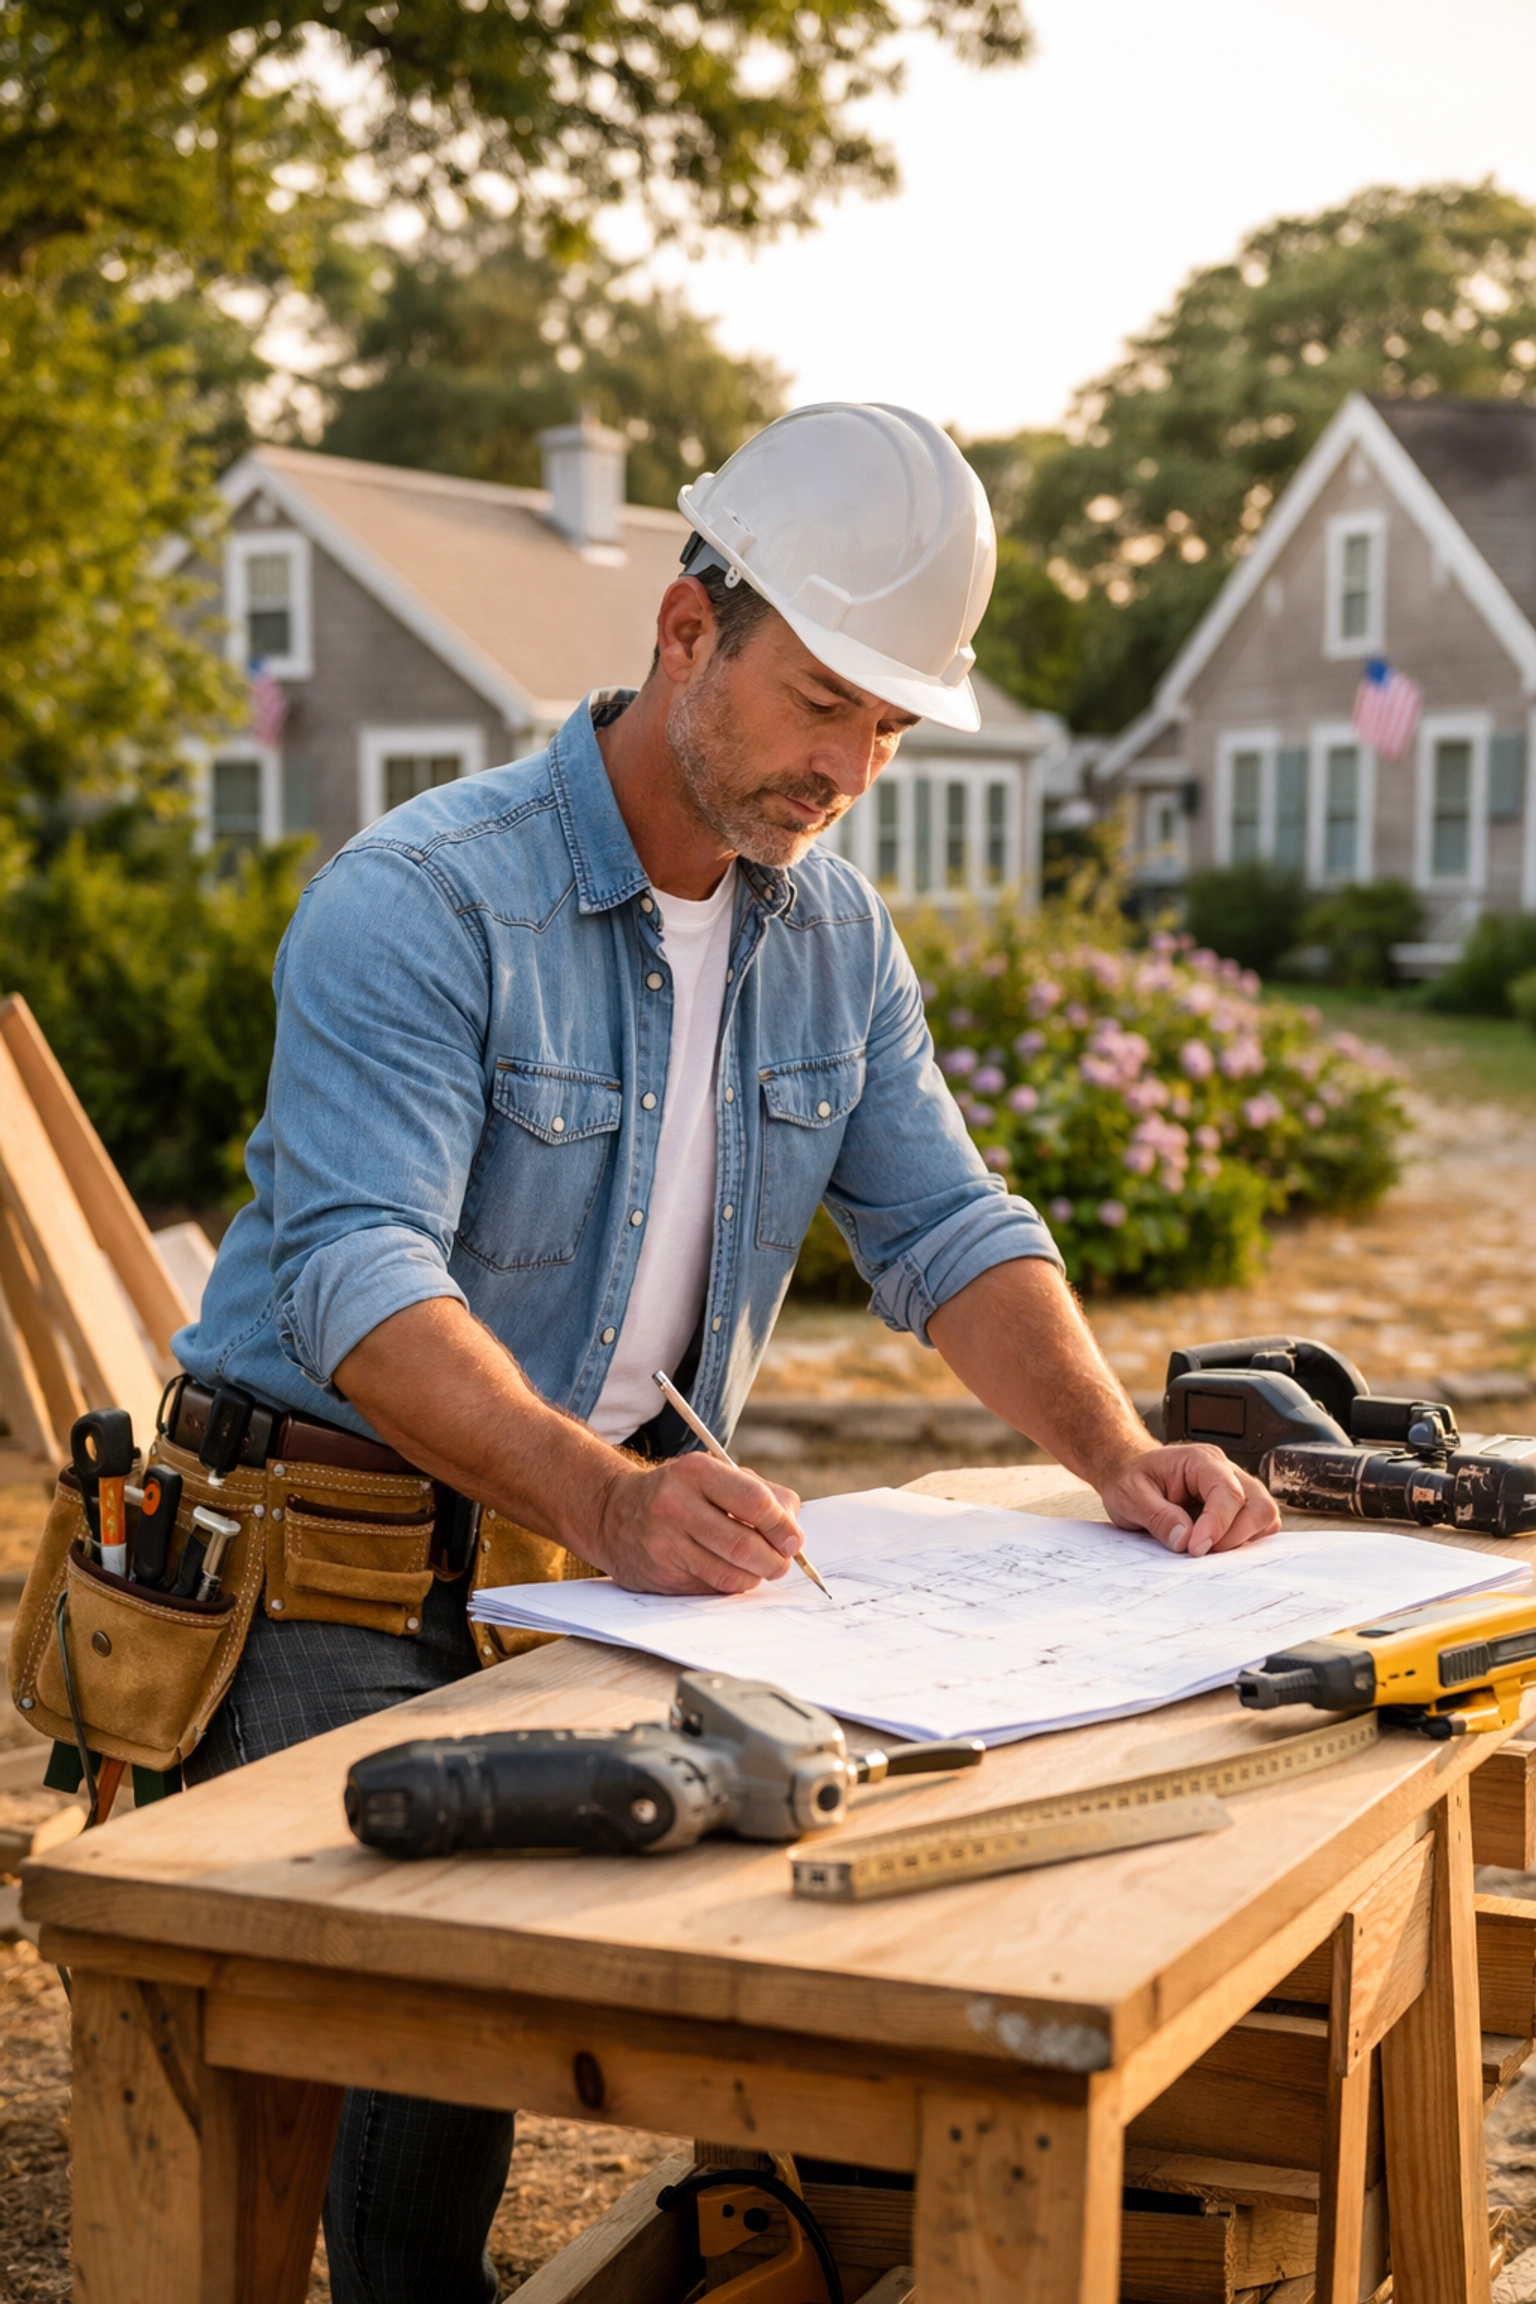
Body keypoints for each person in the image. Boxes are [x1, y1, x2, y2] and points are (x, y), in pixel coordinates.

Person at [176, 401, 1278, 2302]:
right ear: (689, 631)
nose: (850, 768)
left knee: (754, 1918)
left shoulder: (834, 937)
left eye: (889, 727)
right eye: (821, 703)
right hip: (323, 1550)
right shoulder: (421, 899)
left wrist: (1115, 1455)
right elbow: (359, 1283)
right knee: (428, 2029)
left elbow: (947, 1227)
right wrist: (613, 1500)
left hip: (579, 1554)